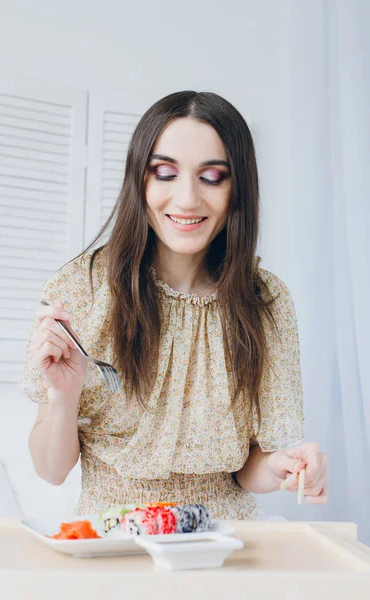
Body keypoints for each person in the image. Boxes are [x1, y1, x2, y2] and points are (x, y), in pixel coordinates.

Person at [19, 90, 328, 520]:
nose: (186, 199)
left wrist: (280, 467)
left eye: (212, 176)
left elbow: (248, 470)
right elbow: (51, 471)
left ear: (238, 186)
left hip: (223, 543)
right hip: (113, 542)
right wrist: (63, 394)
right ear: (139, 180)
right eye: (164, 173)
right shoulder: (82, 287)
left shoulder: (266, 301)